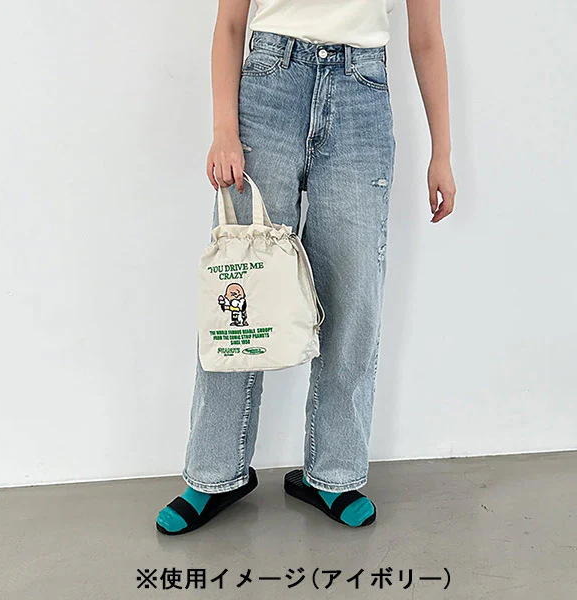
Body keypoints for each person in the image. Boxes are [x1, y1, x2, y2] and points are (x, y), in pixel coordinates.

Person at [157, 0, 456, 533]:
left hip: (362, 94)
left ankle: (333, 474)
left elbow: (427, 38)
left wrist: (442, 153)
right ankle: (214, 473)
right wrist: (224, 128)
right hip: (269, 88)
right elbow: (230, 23)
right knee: (240, 290)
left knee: (353, 290)